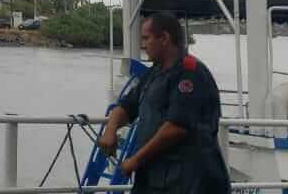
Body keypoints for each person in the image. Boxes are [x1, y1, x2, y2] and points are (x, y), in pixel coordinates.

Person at [96, 12, 229, 194]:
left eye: (146, 39)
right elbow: (126, 106)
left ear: (164, 38)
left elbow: (176, 128)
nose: (143, 45)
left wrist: (135, 160)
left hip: (190, 180)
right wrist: (110, 131)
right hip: (155, 178)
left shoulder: (190, 73)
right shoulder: (154, 73)